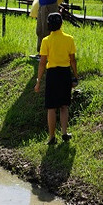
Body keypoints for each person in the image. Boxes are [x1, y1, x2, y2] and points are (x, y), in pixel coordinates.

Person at [34, 12, 79, 145]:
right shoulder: (69, 39)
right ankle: (64, 132)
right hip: (65, 73)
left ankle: (51, 137)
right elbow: (73, 60)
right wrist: (75, 76)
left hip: (52, 74)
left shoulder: (46, 41)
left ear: (48, 25)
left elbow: (42, 62)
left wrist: (38, 80)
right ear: (61, 24)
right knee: (64, 106)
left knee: (51, 107)